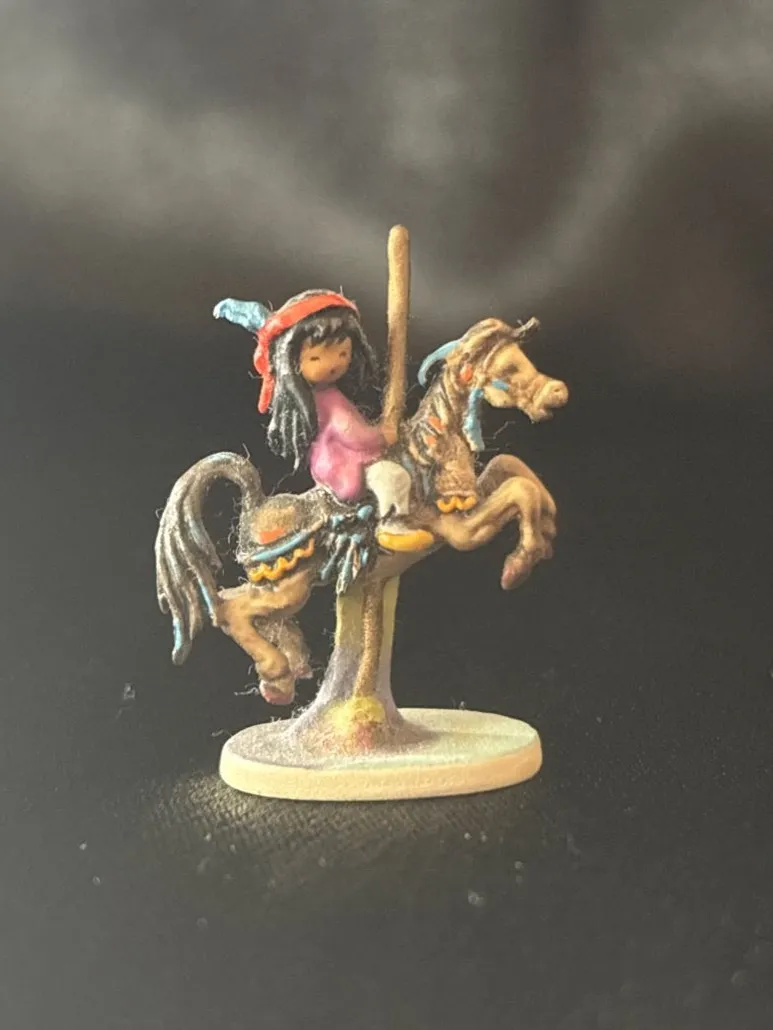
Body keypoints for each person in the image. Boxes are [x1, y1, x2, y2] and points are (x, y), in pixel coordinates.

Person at [213, 289, 433, 553]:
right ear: (292, 362)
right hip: (345, 464)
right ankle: (392, 526)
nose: (333, 364)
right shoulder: (326, 403)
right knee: (394, 476)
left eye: (343, 353)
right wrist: (383, 435)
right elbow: (354, 435)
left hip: (336, 460)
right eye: (316, 357)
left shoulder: (326, 394)